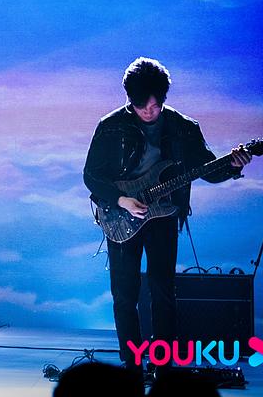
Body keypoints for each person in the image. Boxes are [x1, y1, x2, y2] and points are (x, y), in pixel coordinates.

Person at [83, 58, 251, 370]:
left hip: (164, 215)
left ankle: (163, 366)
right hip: (121, 216)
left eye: (155, 104)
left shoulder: (183, 127)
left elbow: (207, 169)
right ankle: (132, 364)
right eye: (141, 105)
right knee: (124, 294)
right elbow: (91, 175)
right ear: (130, 99)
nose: (149, 111)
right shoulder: (110, 126)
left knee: (163, 291)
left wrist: (231, 167)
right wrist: (122, 200)